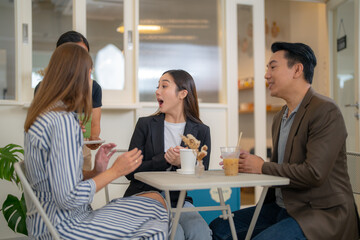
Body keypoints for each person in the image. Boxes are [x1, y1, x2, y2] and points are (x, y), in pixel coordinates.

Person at [210, 42, 360, 240]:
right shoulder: (280, 117)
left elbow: (314, 173)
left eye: (273, 67)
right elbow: (286, 168)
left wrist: (262, 167)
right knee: (218, 227)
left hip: (320, 212)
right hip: (284, 206)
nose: (266, 75)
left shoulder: (325, 111)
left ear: (297, 69)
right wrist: (250, 165)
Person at [24, 43, 170, 239]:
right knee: (154, 224)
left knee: (154, 199)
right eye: (89, 75)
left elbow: (57, 180)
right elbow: (68, 198)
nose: (90, 82)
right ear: (77, 77)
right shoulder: (63, 122)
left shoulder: (44, 115)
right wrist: (115, 171)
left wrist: (95, 171)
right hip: (65, 227)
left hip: (46, 223)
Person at [124, 69, 212, 240]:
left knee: (201, 233)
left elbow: (203, 173)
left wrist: (183, 163)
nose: (157, 91)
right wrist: (163, 159)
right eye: (157, 87)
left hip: (178, 200)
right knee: (174, 233)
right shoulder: (145, 125)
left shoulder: (201, 131)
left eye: (164, 86)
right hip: (145, 197)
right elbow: (130, 172)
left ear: (182, 94)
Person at [34, 30, 102, 170]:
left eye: (85, 55)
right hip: (52, 154)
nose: (82, 60)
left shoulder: (93, 88)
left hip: (81, 153)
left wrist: (93, 140)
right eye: (77, 54)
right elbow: (39, 131)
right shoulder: (43, 89)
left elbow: (94, 127)